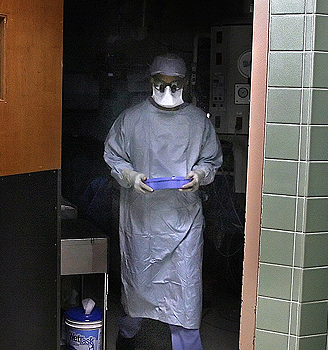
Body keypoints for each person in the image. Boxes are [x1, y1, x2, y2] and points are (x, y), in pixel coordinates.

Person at [104, 53, 223, 350]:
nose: (168, 90)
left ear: (185, 83)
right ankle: (127, 336)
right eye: (161, 83)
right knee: (137, 289)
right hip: (141, 221)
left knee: (185, 294)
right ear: (150, 81)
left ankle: (187, 344)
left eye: (175, 84)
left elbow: (211, 159)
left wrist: (200, 175)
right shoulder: (131, 119)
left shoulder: (197, 121)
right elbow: (114, 156)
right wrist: (131, 176)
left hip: (183, 223)